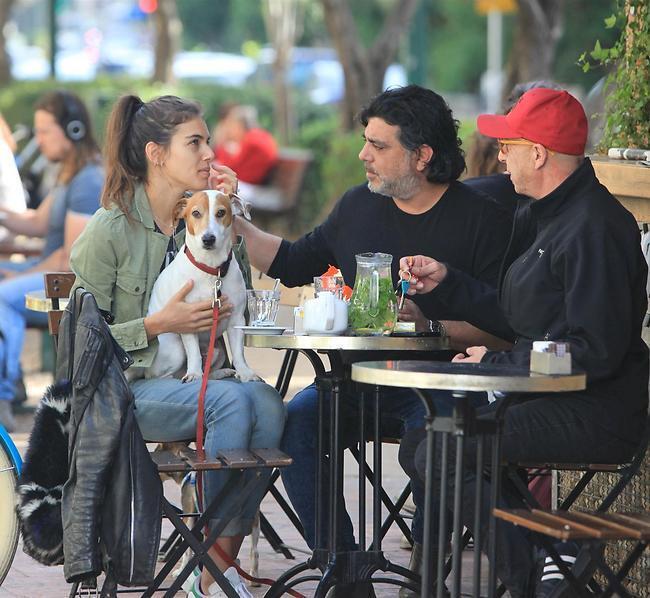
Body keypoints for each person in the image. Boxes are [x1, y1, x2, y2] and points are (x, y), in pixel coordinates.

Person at [234, 85, 513, 596]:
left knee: (437, 434)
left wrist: (429, 325)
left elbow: (505, 327)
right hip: (356, 378)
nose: (364, 154)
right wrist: (231, 219)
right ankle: (344, 568)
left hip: (441, 380)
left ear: (422, 156)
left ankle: (426, 573)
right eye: (366, 141)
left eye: (379, 146)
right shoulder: (358, 206)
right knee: (295, 422)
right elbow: (293, 262)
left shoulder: (482, 219)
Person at [399, 88, 649, 597]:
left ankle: (535, 574)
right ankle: (547, 560)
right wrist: (449, 283)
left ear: (538, 153)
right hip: (549, 397)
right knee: (422, 443)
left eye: (508, 144)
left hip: (596, 411)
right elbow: (523, 316)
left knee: (443, 451)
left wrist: (501, 360)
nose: (500, 155)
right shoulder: (549, 213)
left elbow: (591, 349)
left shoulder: (592, 228)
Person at [69, 94, 285, 598]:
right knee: (231, 402)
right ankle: (209, 576)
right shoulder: (110, 229)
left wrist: (232, 220)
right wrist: (155, 323)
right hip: (122, 394)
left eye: (208, 140)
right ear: (156, 153)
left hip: (190, 380)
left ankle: (213, 570)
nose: (210, 152)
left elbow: (240, 302)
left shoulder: (208, 218)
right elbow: (79, 345)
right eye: (196, 142)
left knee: (269, 405)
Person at [0, 90, 103, 433]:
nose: (39, 139)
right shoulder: (67, 173)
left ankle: (4, 395)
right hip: (47, 274)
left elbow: (69, 259)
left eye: (45, 131)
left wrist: (16, 274)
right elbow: (36, 223)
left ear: (73, 130)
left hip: (65, 286)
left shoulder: (88, 180)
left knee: (2, 295)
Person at [213, 103, 278, 186]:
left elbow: (231, 164)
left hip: (250, 185)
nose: (229, 130)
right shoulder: (260, 135)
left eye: (232, 125)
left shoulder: (251, 139)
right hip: (252, 182)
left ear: (240, 125)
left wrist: (222, 146)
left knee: (212, 181)